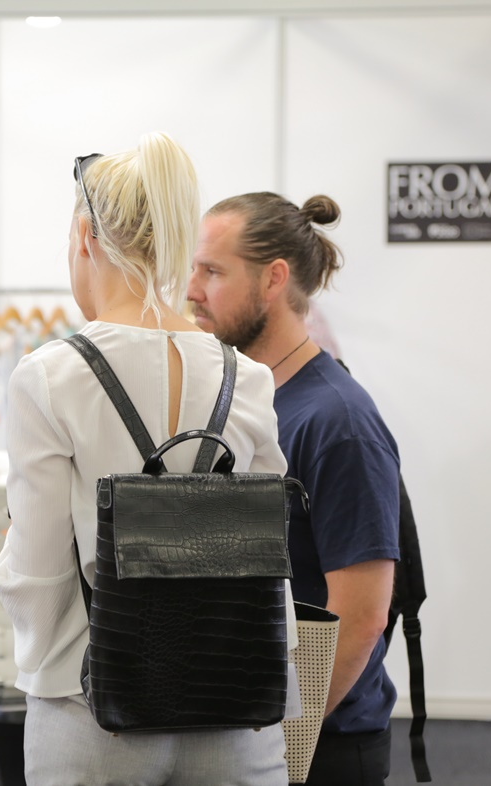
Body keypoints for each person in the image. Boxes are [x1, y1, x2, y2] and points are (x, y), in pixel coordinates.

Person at [0, 133, 289, 786]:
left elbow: (38, 574)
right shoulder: (247, 376)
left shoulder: (50, 376)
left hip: (92, 707)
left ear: (85, 237)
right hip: (235, 706)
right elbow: (268, 558)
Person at [187, 192, 401, 786]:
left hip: (318, 748)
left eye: (212, 271)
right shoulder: (246, 401)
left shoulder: (338, 421)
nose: (193, 290)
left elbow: (362, 615)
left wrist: (285, 745)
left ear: (273, 279)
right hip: (253, 732)